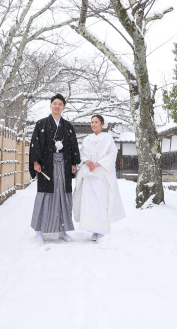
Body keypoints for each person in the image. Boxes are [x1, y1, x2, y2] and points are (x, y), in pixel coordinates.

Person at [29, 93, 81, 245]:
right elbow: (35, 144)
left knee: (63, 197)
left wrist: (73, 163)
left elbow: (73, 146)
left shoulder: (68, 126)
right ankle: (39, 231)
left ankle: (62, 230)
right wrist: (35, 162)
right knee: (45, 195)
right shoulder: (41, 124)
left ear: (63, 107)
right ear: (51, 105)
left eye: (60, 104)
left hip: (63, 165)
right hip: (47, 164)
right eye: (54, 103)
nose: (57, 106)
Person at [74, 114, 125, 241]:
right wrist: (87, 161)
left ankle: (100, 230)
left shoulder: (108, 138)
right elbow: (82, 153)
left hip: (101, 174)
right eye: (92, 122)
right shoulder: (87, 139)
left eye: (96, 122)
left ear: (102, 124)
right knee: (89, 202)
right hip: (89, 175)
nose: (93, 124)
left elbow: (113, 153)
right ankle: (91, 229)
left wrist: (98, 163)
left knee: (101, 202)